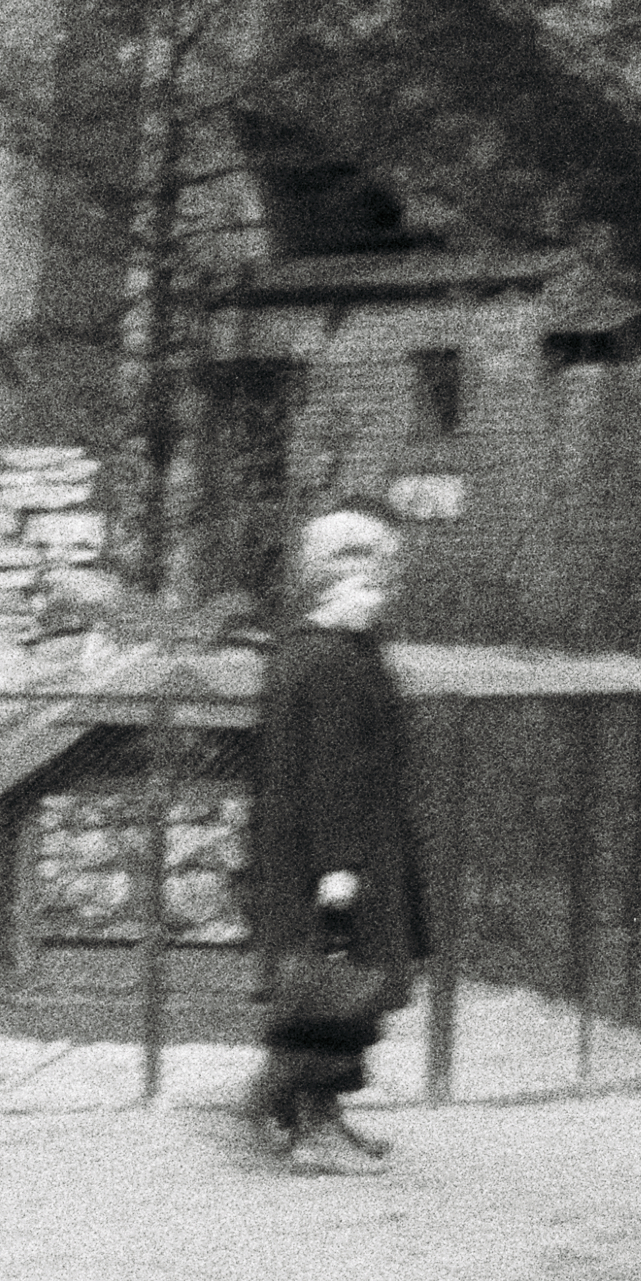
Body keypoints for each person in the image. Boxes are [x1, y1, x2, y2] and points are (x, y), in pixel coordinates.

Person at [244, 502, 429, 1173]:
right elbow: (328, 772)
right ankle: (308, 1122)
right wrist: (337, 867)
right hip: (335, 856)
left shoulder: (329, 652)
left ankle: (304, 1113)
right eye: (372, 581)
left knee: (336, 988)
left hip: (343, 849)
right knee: (334, 987)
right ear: (334, 581)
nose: (384, 593)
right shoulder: (326, 660)